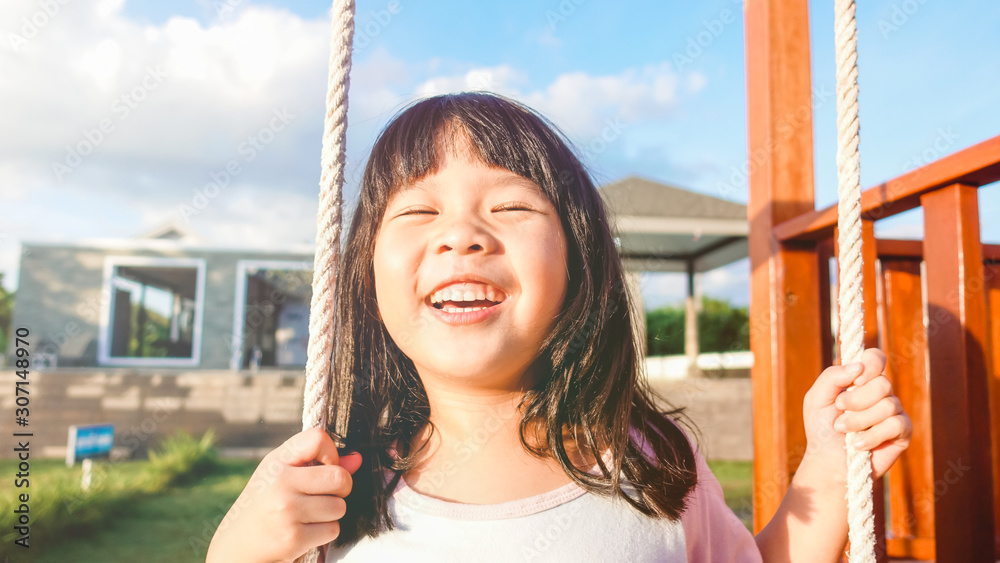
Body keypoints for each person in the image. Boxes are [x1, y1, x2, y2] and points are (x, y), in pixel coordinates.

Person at [206, 92, 912, 563]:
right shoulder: (336, 495)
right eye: (418, 212)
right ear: (364, 275)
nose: (463, 235)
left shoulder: (651, 464)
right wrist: (238, 549)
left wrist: (827, 462)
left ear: (579, 264)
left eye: (511, 207)